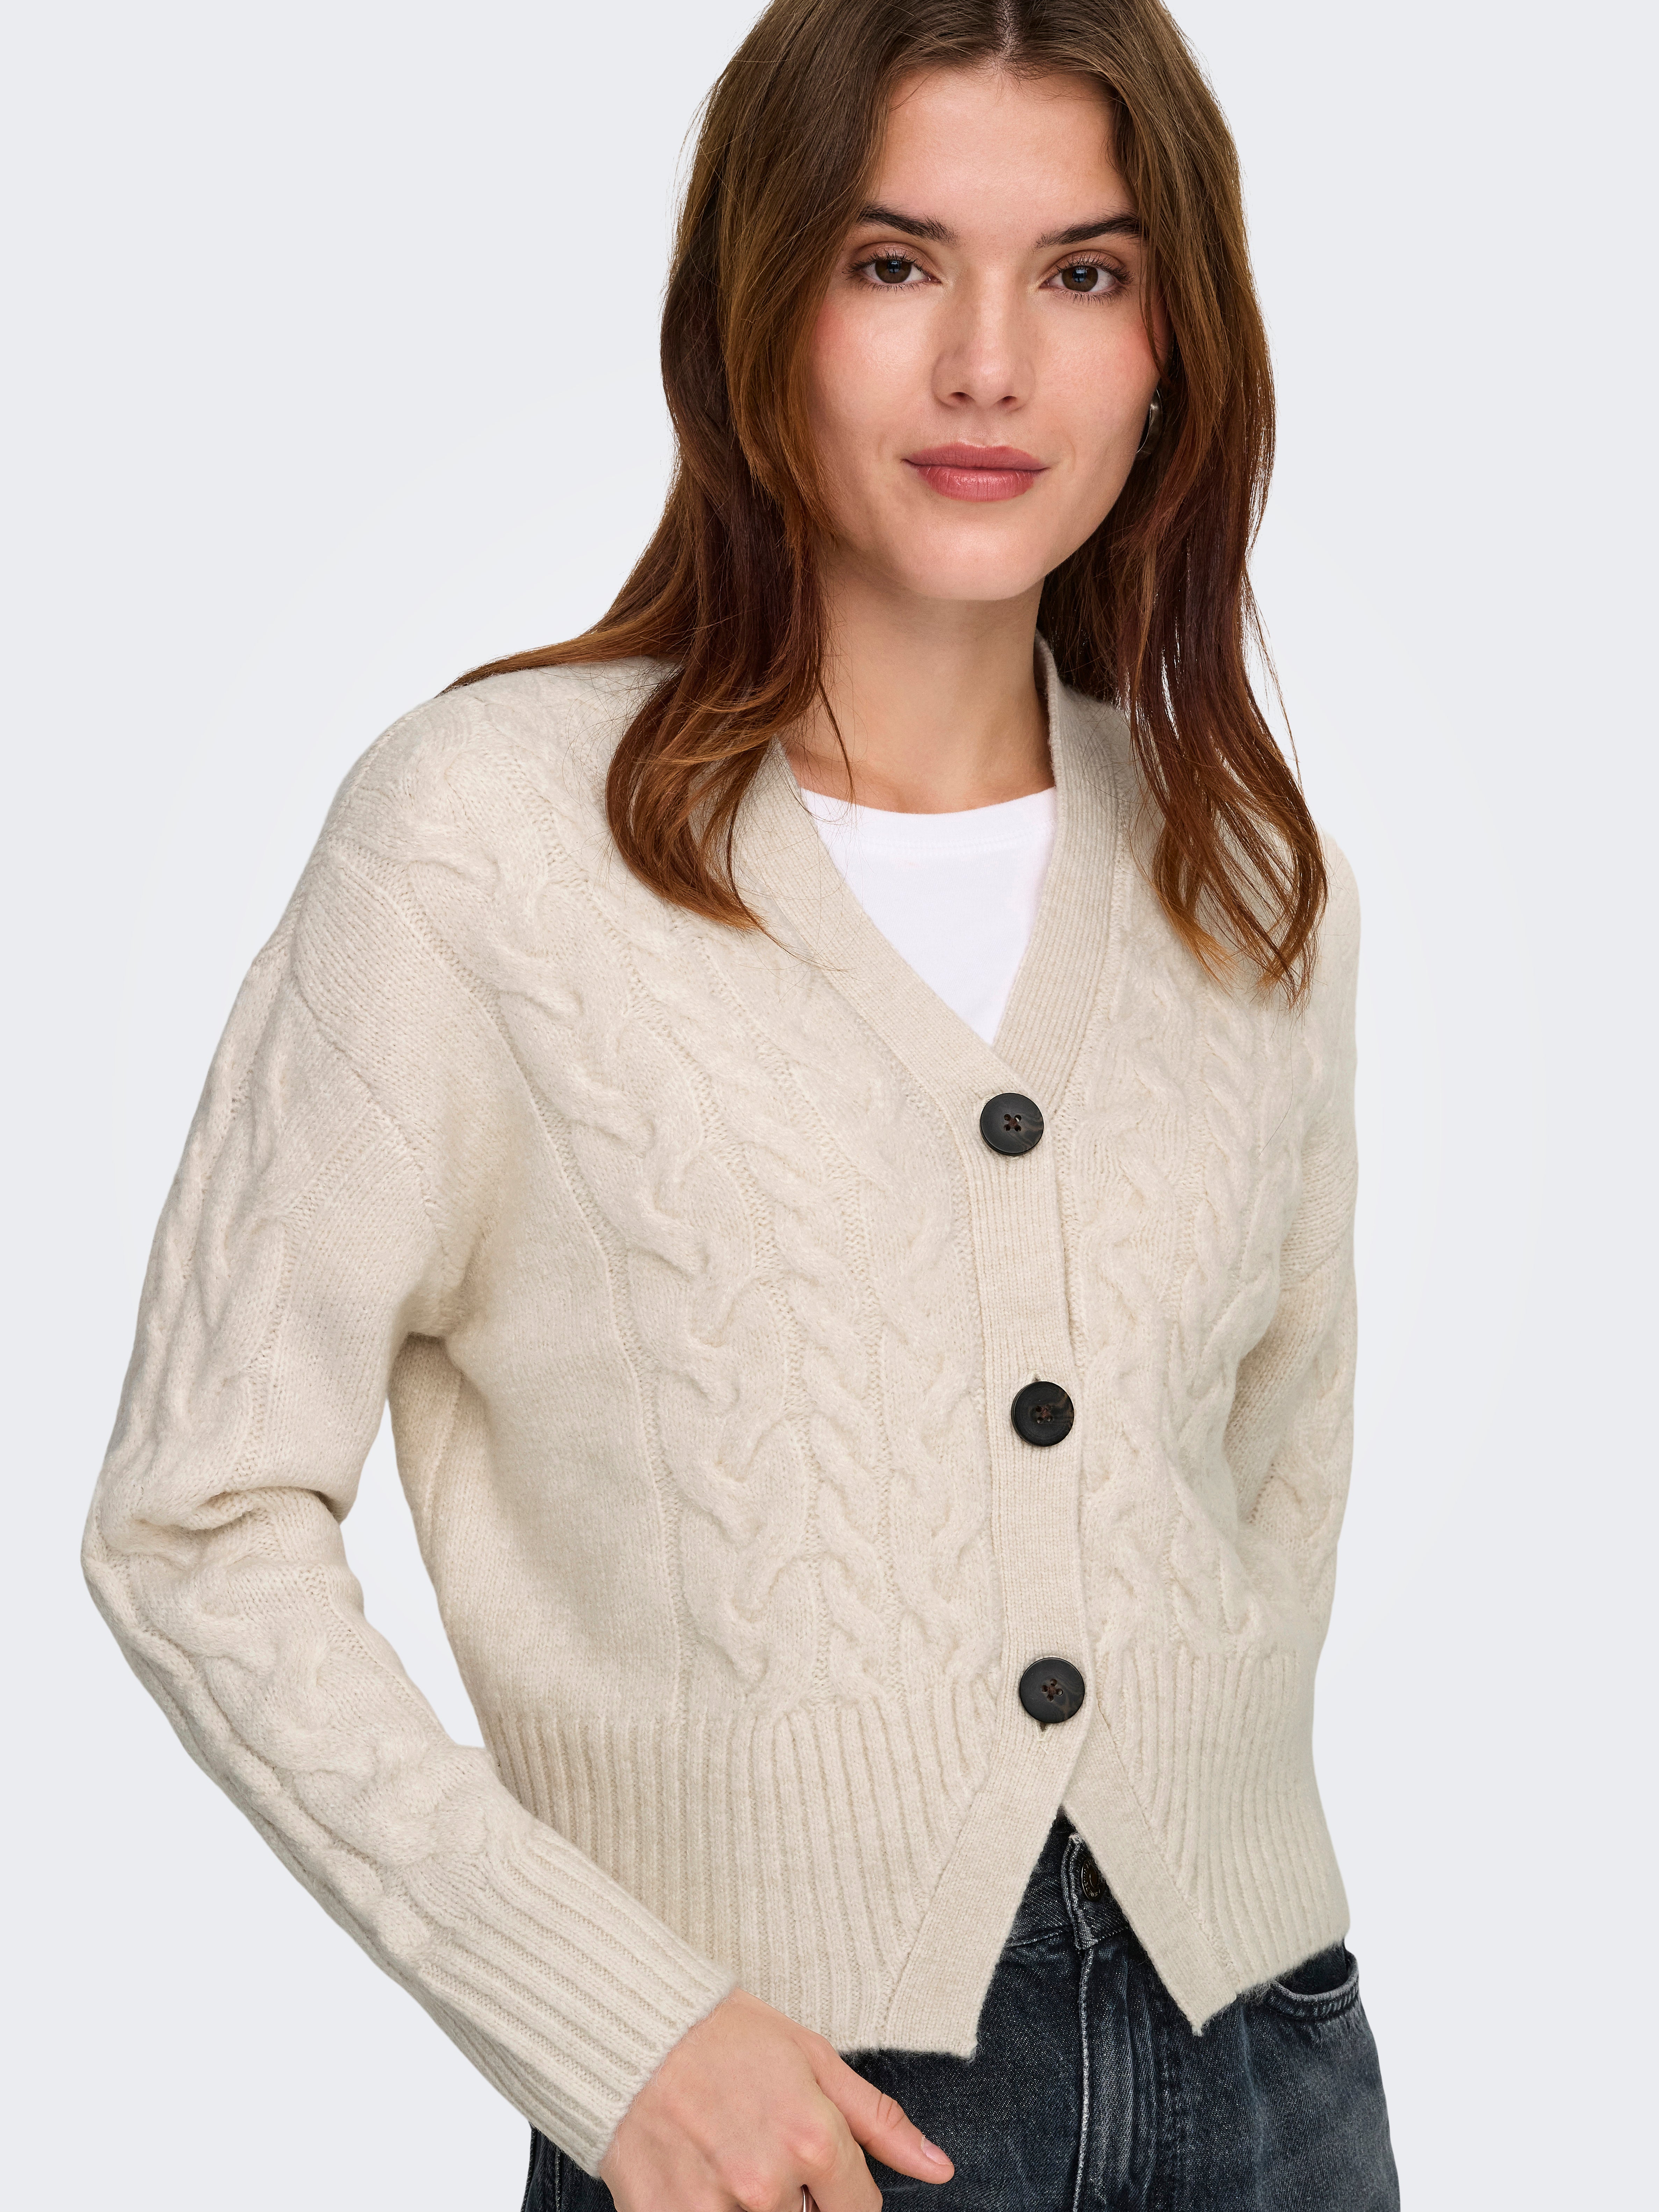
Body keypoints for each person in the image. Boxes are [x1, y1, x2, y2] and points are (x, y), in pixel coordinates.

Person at [82, 1, 1400, 2205]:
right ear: (758, 307)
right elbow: (193, 1524)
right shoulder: (482, 846)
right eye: (895, 264)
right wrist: (606, 2020)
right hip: (771, 2123)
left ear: (1170, 343)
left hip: (1273, 2073)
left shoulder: (1254, 881)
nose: (990, 365)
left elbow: (1276, 1468)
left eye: (1083, 272)